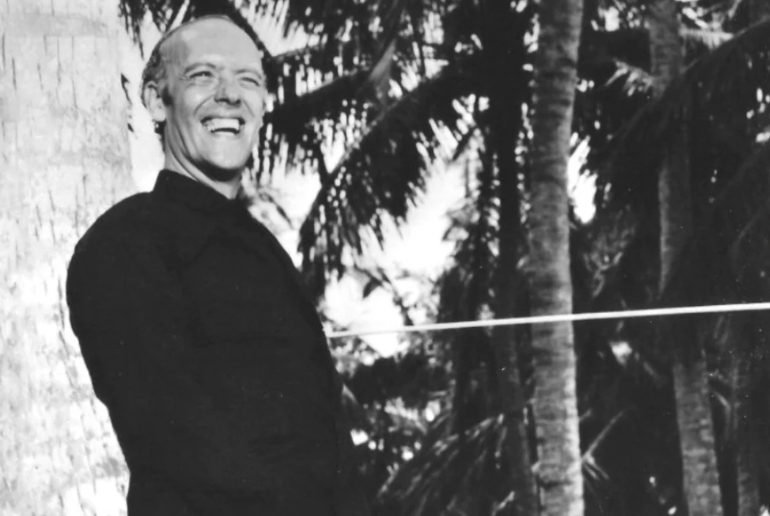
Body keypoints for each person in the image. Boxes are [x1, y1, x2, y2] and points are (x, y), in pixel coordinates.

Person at [66, 15, 369, 516]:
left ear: (263, 105)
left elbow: (329, 432)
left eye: (248, 79)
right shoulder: (125, 242)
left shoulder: (263, 249)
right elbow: (179, 446)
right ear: (155, 100)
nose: (229, 94)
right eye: (202, 75)